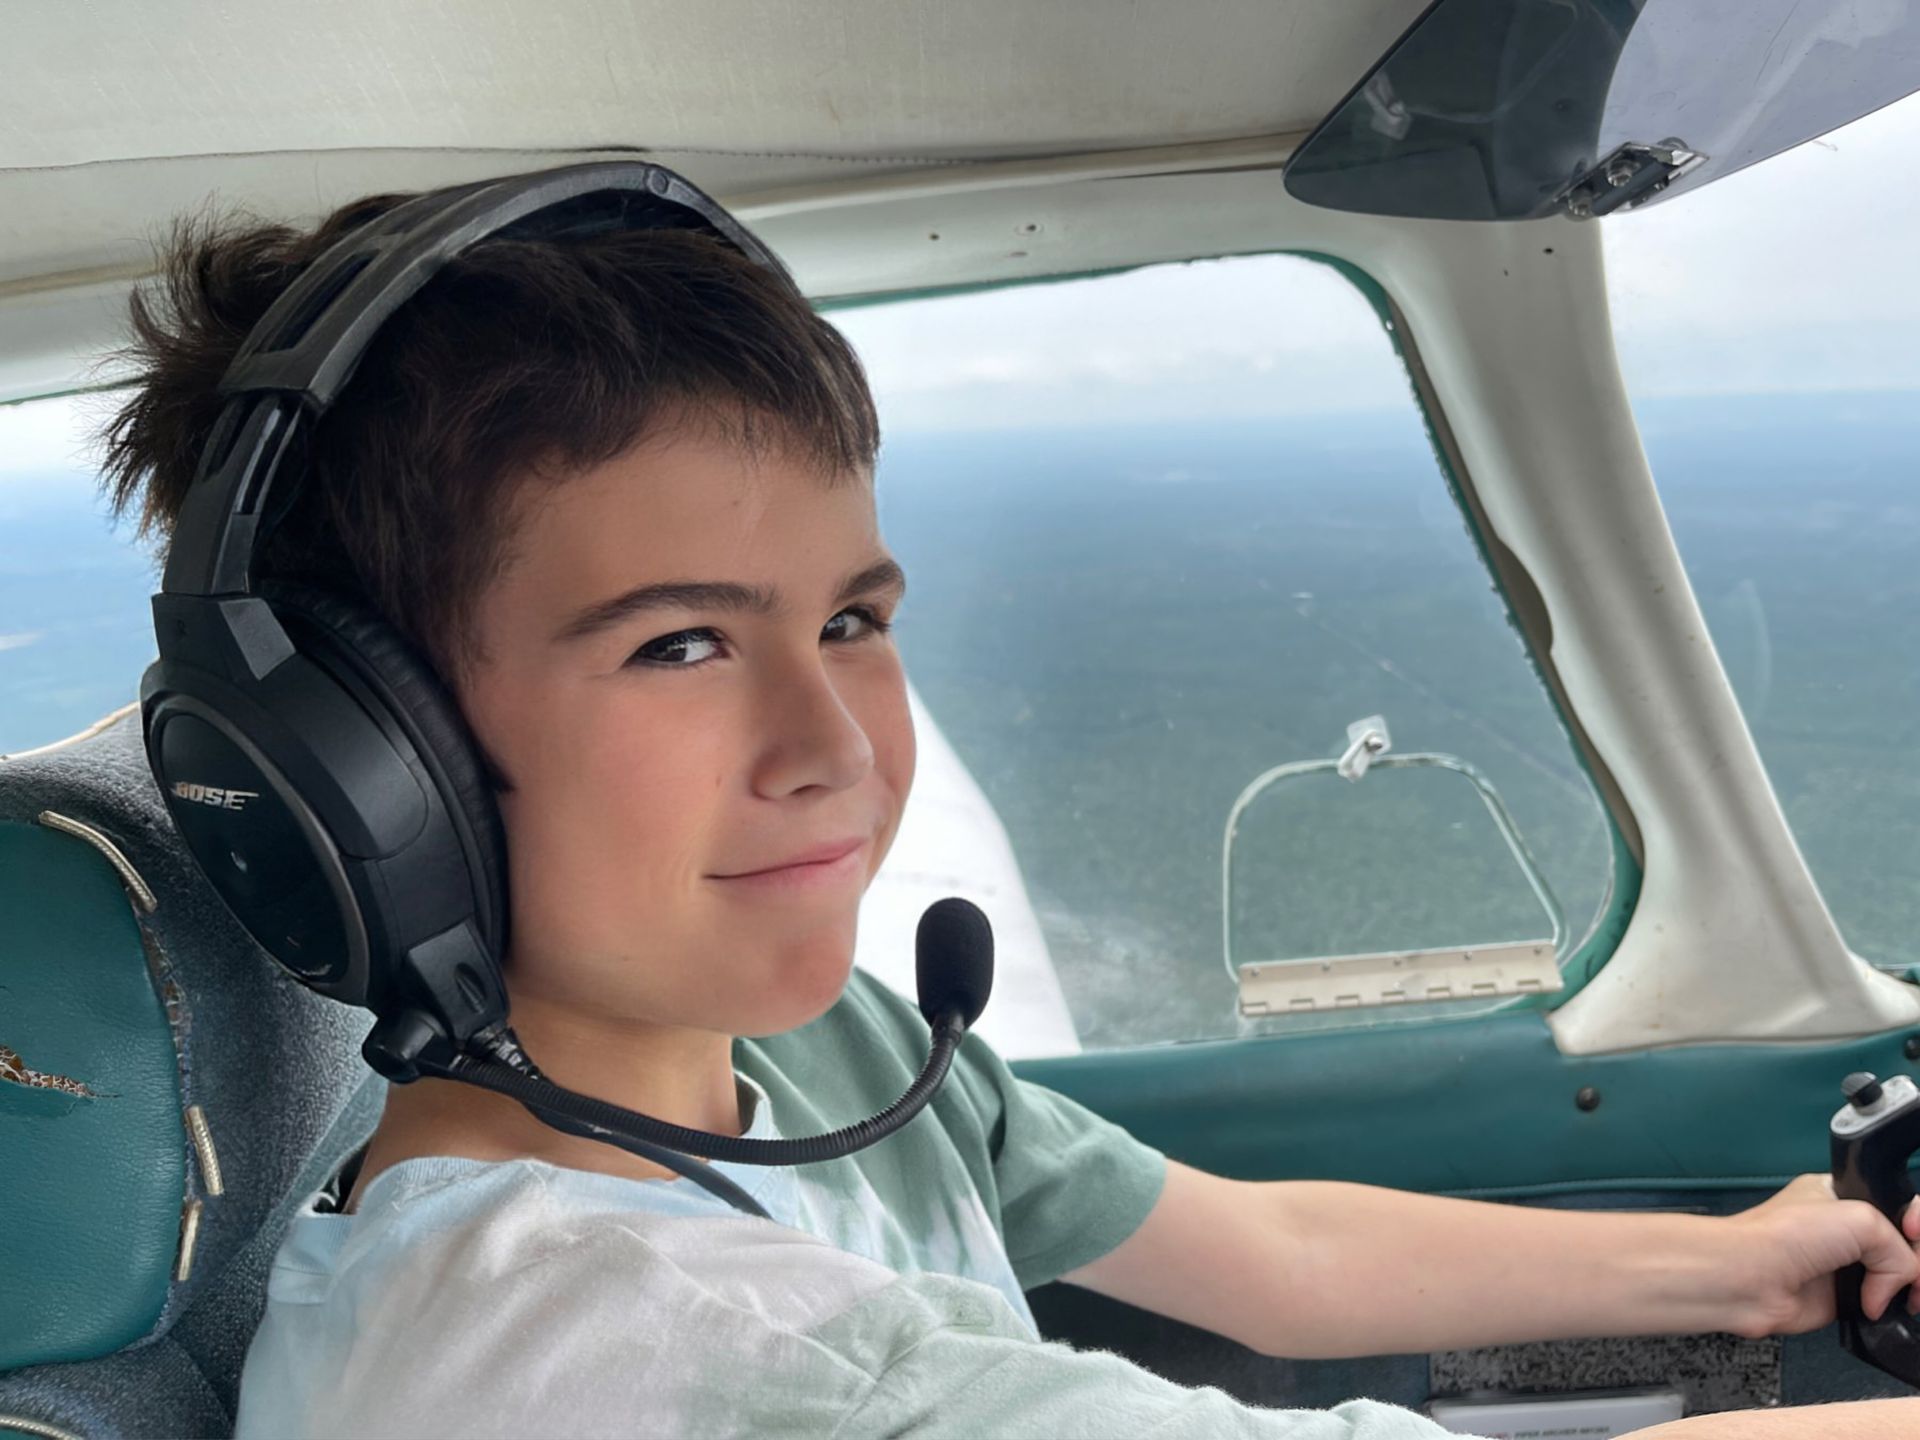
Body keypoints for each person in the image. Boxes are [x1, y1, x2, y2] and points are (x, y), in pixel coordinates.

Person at [100, 171, 1920, 1439]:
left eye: (851, 621)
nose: (838, 742)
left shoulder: (814, 1063)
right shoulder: (581, 1353)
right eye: (675, 647)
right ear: (365, 768)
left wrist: (1748, 1263)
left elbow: (1267, 1258)